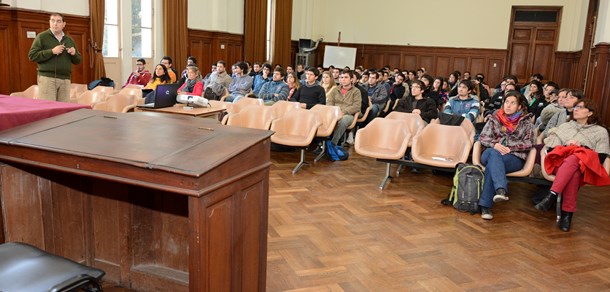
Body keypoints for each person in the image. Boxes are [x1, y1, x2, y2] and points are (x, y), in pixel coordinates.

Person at [535, 99, 610, 231]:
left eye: (580, 107)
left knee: (576, 157)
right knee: (573, 170)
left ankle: (552, 195)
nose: (576, 109)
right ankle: (566, 216)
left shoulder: (600, 131)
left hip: (585, 167)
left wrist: (582, 147)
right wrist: (567, 146)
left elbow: (601, 156)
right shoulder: (565, 126)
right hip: (560, 164)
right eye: (575, 107)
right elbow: (551, 149)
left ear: (590, 113)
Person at [478, 91, 536, 220]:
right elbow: (482, 137)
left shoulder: (526, 123)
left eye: (513, 103)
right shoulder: (494, 118)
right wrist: (495, 145)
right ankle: (501, 189)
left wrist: (510, 147)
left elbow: (530, 143)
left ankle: (485, 206)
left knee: (492, 167)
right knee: (494, 154)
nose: (508, 105)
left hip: (513, 157)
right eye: (506, 102)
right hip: (490, 151)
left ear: (520, 106)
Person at [28, 12, 82, 102]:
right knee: (48, 109)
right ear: (49, 22)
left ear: (64, 24)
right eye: (52, 21)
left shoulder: (69, 40)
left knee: (64, 111)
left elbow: (78, 60)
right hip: (47, 79)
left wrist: (74, 53)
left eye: (58, 21)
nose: (55, 24)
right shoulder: (42, 37)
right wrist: (52, 51)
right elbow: (32, 56)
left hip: (65, 80)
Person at [326, 71, 361, 146]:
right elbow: (329, 102)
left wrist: (343, 111)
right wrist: (334, 111)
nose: (343, 79)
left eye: (346, 77)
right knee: (323, 117)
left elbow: (357, 106)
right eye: (341, 77)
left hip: (348, 114)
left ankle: (333, 144)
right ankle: (322, 142)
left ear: (351, 79)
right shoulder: (335, 90)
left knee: (343, 120)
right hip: (334, 112)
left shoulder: (356, 91)